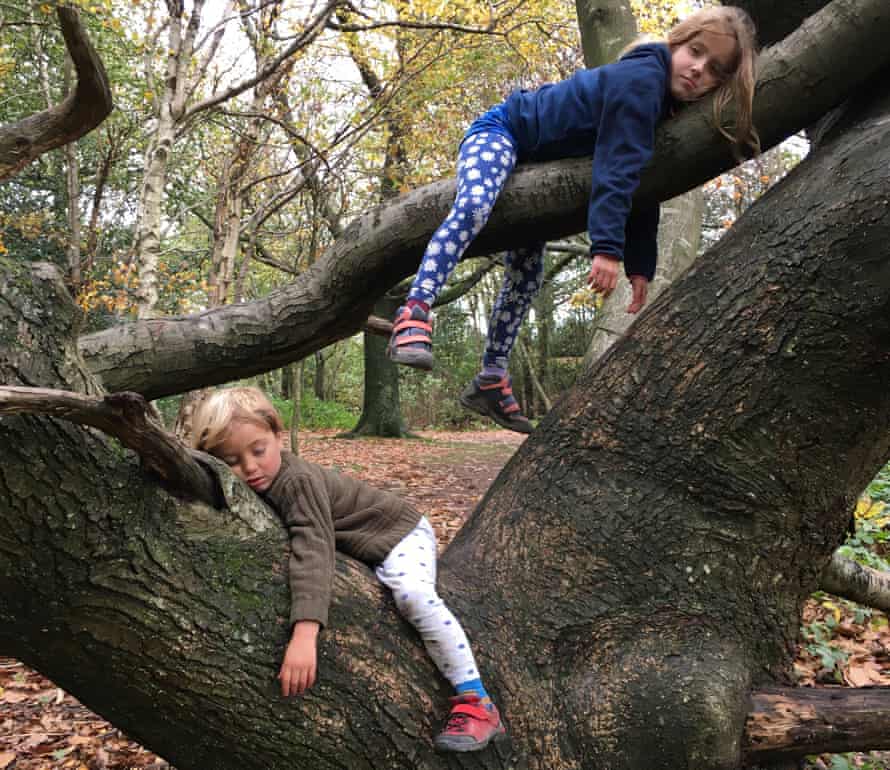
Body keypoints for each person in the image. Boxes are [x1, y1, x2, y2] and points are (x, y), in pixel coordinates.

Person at [387, 6, 759, 433]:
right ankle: (414, 310)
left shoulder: (661, 105)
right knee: (473, 206)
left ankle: (491, 377)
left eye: (714, 70)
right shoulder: (643, 80)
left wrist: (641, 264)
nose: (697, 70)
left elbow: (642, 182)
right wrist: (606, 248)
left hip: (536, 162)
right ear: (676, 42)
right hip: (504, 131)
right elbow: (618, 169)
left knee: (527, 276)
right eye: (695, 51)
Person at [191, 386, 506, 753]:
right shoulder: (257, 479)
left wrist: (305, 633)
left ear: (278, 436)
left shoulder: (296, 482)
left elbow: (313, 549)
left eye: (258, 450)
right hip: (368, 544)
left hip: (398, 534)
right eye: (230, 460)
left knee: (413, 595)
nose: (249, 467)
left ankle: (477, 700)